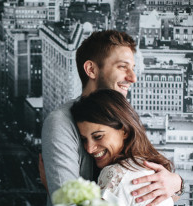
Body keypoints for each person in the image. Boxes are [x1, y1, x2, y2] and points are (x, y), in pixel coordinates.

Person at [40, 30, 183, 206]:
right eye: (123, 67)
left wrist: (176, 183)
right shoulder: (60, 122)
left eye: (133, 68)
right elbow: (64, 202)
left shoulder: (120, 112)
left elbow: (146, 190)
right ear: (91, 69)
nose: (133, 78)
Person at [71, 89, 175, 206]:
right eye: (84, 139)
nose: (89, 149)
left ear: (124, 131)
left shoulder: (115, 175)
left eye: (98, 136)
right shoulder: (148, 169)